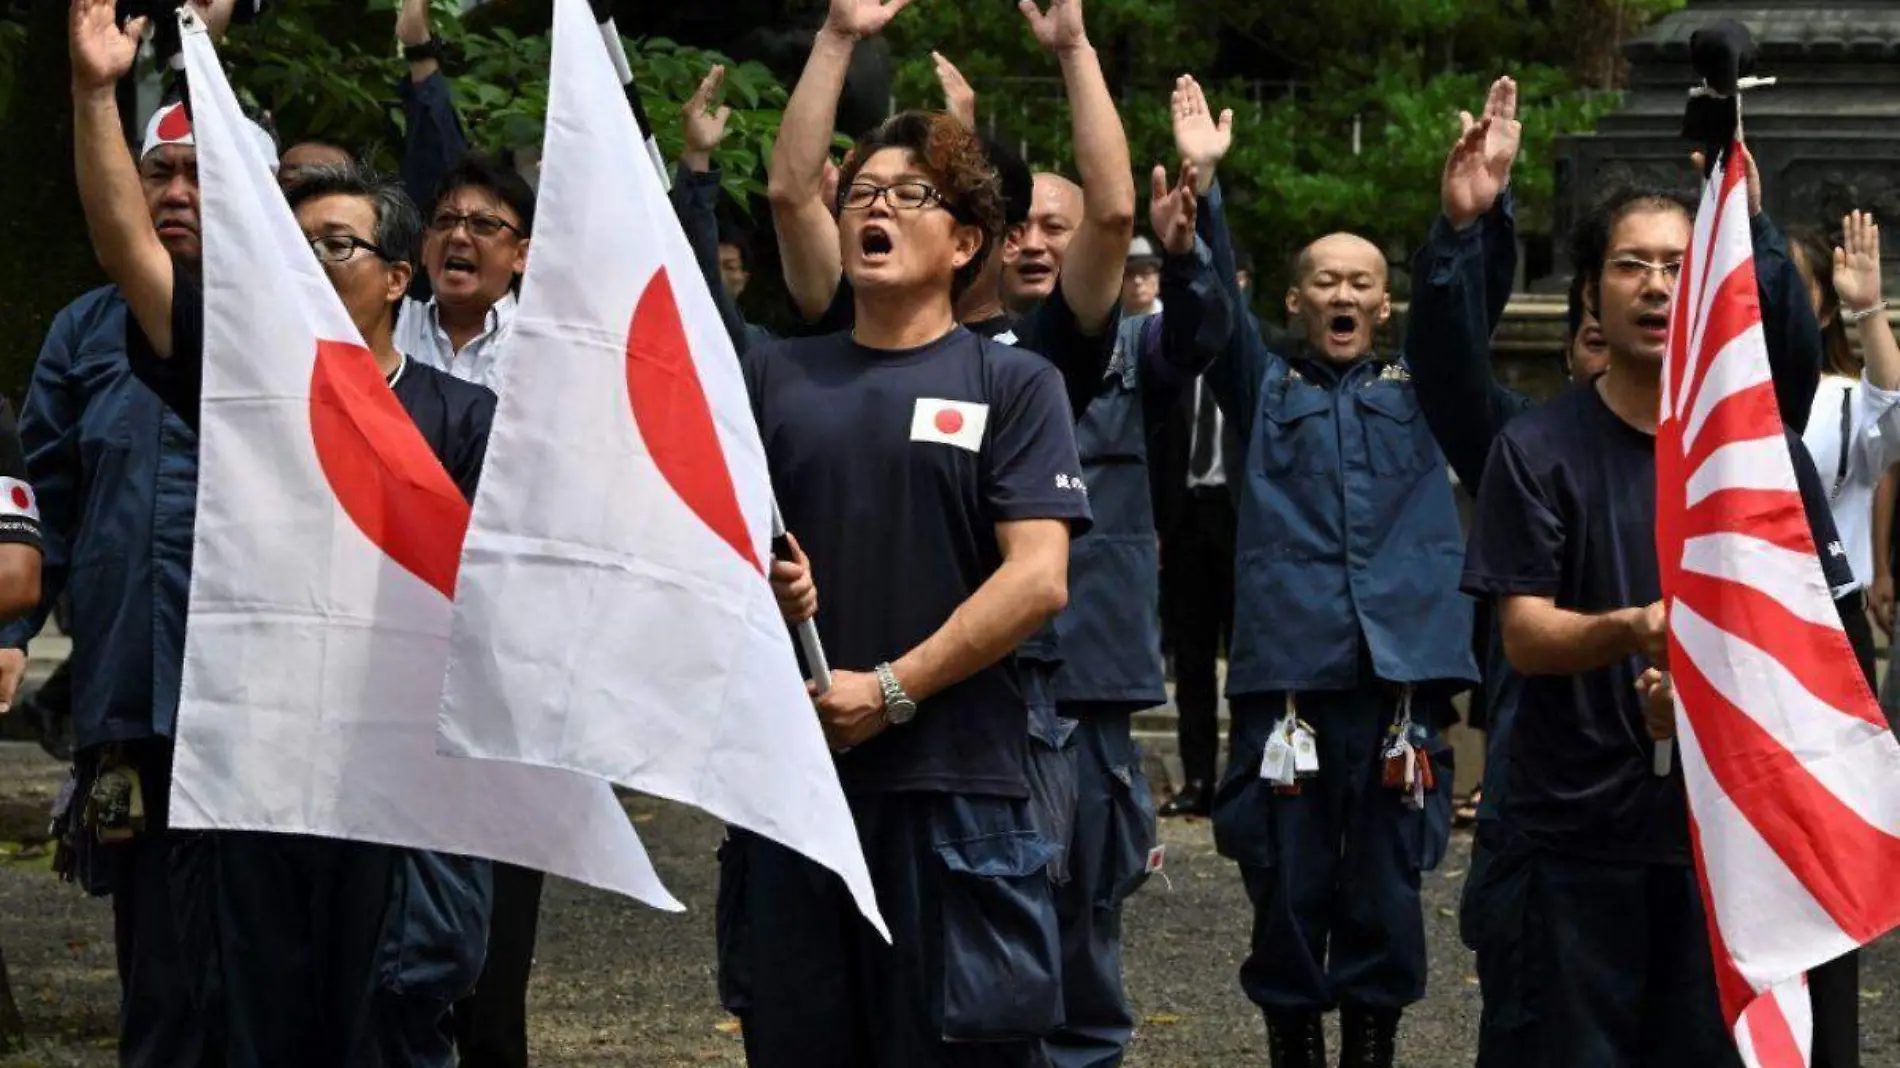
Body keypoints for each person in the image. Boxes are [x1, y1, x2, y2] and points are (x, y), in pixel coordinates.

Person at [725, 106, 1090, 1068]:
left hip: (955, 797)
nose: (873, 207)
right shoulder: (772, 375)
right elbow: (708, 549)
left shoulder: (1013, 386)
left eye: (907, 194)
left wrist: (890, 691)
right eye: (861, 194)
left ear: (966, 240)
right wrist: (758, 584)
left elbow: (1039, 578)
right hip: (791, 787)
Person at [1189, 70, 1470, 1067]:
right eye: (1324, 282)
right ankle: (1293, 1038)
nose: (1342, 295)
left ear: (1382, 304)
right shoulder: (1262, 389)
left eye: (1360, 282)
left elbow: (1458, 312)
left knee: (1392, 874)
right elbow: (1208, 307)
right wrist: (1204, 192)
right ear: (1294, 298)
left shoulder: (1424, 392)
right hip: (1291, 681)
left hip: (1398, 679)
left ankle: (1372, 1043)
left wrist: (1465, 223)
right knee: (1280, 864)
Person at [1036, 77, 1235, 1068]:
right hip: (960, 678)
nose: (1037, 242)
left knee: (1084, 918)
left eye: (1058, 226)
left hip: (1090, 676)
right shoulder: (938, 352)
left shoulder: (1129, 350)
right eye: (1020, 224)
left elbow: (1202, 338)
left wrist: (1193, 243)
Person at [1785, 219, 1900, 590]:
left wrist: (1868, 308)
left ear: (1826, 313)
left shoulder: (1846, 402)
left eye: (1793, 289)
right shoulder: (1710, 399)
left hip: (1834, 617)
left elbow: (1894, 416)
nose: (1773, 304)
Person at [1120, 236, 1161, 316]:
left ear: (1157, 280)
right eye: (1129, 274)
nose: (1137, 281)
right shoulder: (1107, 323)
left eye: (1145, 273)